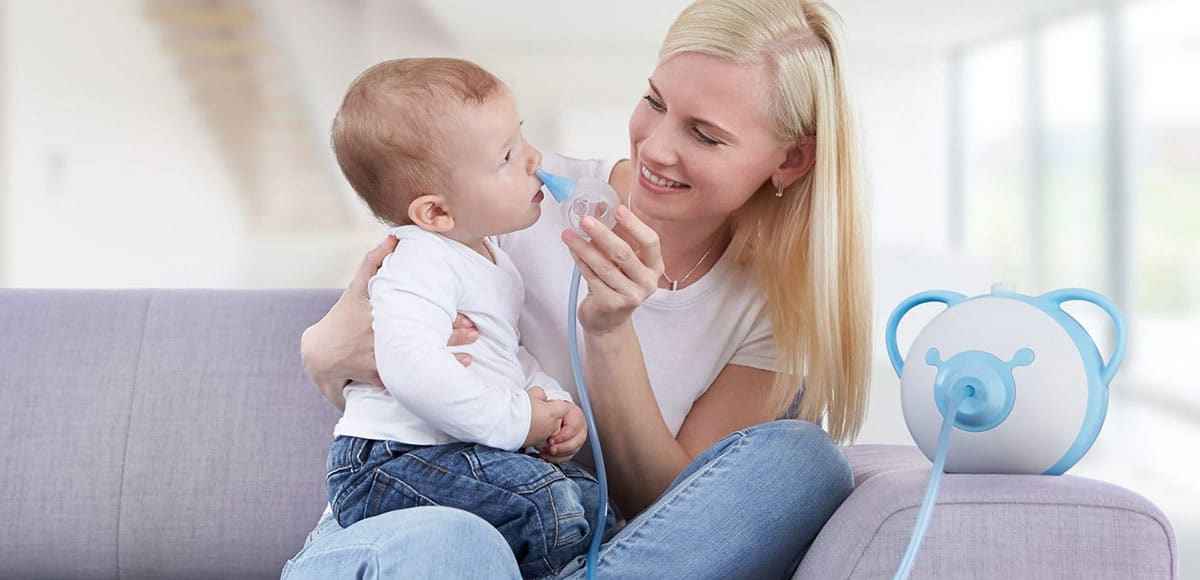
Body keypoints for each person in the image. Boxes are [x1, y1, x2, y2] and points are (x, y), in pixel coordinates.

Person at [283, 0, 871, 577]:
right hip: (412, 535)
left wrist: (609, 332)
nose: (655, 147)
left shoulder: (778, 309)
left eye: (706, 135)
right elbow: (360, 353)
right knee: (459, 542)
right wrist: (324, 349)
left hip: (570, 537)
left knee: (805, 462)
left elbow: (675, 518)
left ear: (790, 160)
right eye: (654, 102)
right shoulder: (504, 193)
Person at [320, 57, 613, 579]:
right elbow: (410, 368)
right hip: (390, 461)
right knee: (549, 507)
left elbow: (504, 355)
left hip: (455, 454)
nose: (534, 160)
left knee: (595, 508)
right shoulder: (418, 259)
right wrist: (520, 419)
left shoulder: (491, 260)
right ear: (436, 213)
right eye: (507, 157)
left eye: (521, 139)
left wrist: (553, 400)